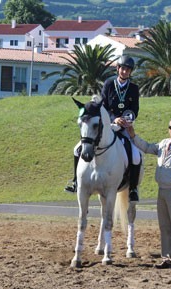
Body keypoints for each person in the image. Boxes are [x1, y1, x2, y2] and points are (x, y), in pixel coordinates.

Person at [65, 55, 142, 202]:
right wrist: (113, 120)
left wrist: (125, 120)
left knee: (136, 155)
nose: (125, 72)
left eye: (128, 70)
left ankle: (132, 189)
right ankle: (75, 181)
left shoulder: (133, 88)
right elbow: (103, 106)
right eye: (123, 68)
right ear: (118, 69)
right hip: (108, 125)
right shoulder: (108, 84)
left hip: (124, 126)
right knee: (76, 149)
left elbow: (135, 110)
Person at [127, 118, 171, 270]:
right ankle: (167, 258)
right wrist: (133, 136)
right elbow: (147, 147)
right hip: (162, 190)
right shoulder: (164, 143)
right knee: (164, 226)